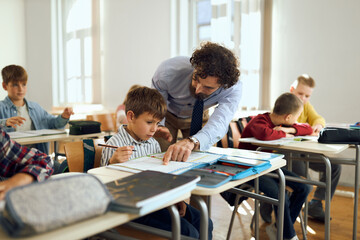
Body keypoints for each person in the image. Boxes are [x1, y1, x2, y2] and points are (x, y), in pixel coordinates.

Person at [101, 86, 213, 239]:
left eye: (158, 123)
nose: (154, 129)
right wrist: (112, 163)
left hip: (157, 202)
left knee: (205, 221)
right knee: (188, 233)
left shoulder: (152, 143)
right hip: (135, 209)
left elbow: (159, 178)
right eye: (149, 122)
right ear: (131, 116)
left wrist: (174, 199)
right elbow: (104, 189)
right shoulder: (115, 145)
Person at [223, 93, 312, 240]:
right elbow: (264, 134)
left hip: (267, 166)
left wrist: (289, 130)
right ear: (288, 117)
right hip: (249, 168)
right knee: (280, 194)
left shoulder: (283, 124)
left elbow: (307, 129)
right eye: (297, 116)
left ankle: (279, 228)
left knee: (305, 188)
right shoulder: (259, 121)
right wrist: (284, 134)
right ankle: (287, 236)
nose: (297, 120)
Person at [152, 42, 242, 164]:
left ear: (223, 85)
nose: (198, 89)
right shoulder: (168, 71)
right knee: (160, 157)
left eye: (208, 87)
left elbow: (220, 121)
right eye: (196, 79)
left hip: (199, 116)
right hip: (166, 114)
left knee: (199, 158)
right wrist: (159, 125)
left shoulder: (232, 89)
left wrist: (194, 140)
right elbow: (157, 102)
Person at [290, 74, 341, 222]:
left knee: (334, 166)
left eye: (307, 96)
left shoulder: (306, 105)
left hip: (304, 151)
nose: (303, 98)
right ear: (292, 89)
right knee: (306, 180)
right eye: (300, 93)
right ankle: (268, 204)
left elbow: (318, 118)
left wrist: (318, 125)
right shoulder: (285, 102)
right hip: (287, 153)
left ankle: (316, 204)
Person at [0, 65, 74, 154]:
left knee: (65, 166)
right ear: (5, 86)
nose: (21, 89)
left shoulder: (35, 107)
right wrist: (4, 123)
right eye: (15, 85)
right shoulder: (1, 108)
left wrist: (63, 117)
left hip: (37, 157)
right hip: (13, 159)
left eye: (24, 84)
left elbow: (53, 124)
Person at [0, 125, 54, 200]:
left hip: (23, 154)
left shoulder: (37, 112)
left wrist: (63, 117)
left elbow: (53, 122)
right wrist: (5, 122)